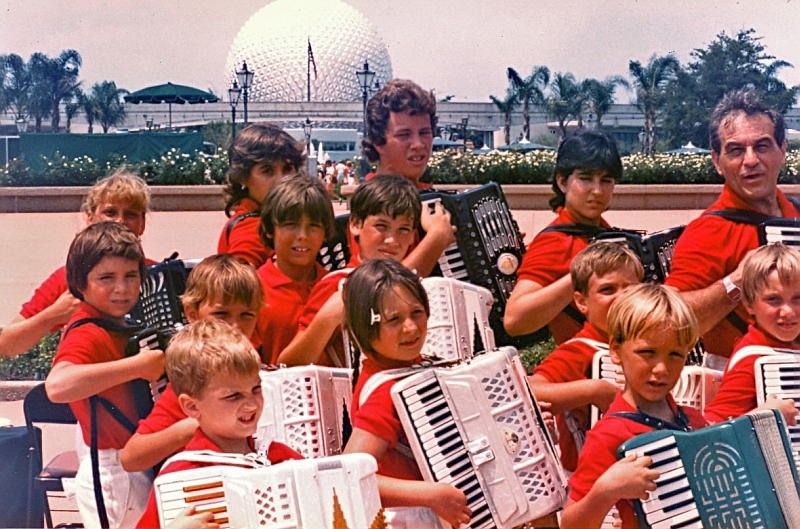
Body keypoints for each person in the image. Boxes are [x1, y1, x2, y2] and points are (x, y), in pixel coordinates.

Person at [45, 222, 164, 529]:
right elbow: (57, 386)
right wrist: (139, 366)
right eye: (106, 278)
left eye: (130, 276)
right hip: (113, 473)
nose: (121, 289)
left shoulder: (115, 325)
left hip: (127, 466)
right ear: (80, 284)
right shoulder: (87, 333)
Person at [560, 283, 707, 529]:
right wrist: (606, 490)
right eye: (647, 352)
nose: (661, 369)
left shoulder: (693, 420)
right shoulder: (609, 435)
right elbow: (570, 524)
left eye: (675, 355)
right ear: (616, 351)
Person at [665, 89, 798, 359]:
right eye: (736, 150)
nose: (750, 160)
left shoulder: (795, 213)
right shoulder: (708, 231)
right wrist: (736, 282)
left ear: (782, 151)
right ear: (717, 161)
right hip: (739, 378)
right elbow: (670, 321)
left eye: (762, 146)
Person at [135, 319, 302, 529]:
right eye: (233, 395)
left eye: (256, 389)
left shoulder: (282, 456)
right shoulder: (181, 477)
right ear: (192, 407)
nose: (251, 404)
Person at [342, 259, 471, 528]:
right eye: (394, 319)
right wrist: (429, 494)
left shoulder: (420, 366)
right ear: (365, 328)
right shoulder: (385, 393)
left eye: (417, 312)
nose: (411, 327)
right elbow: (350, 475)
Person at [121, 253, 265, 473]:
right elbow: (132, 457)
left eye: (247, 315)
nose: (235, 325)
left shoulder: (258, 365)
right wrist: (201, 424)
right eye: (221, 314)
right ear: (192, 315)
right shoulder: (196, 377)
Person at [3, 169, 151, 358]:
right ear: (90, 218)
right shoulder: (68, 278)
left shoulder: (160, 276)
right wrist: (53, 315)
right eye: (110, 212)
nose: (120, 221)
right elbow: (7, 345)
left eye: (130, 214)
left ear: (142, 223)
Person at [277, 174, 420, 367]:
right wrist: (328, 318)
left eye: (403, 229)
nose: (392, 240)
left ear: (413, 236)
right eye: (381, 226)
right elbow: (288, 365)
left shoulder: (413, 283)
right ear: (355, 225)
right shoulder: (337, 285)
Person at [528, 241, 644, 472]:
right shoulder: (580, 349)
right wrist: (595, 390)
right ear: (581, 302)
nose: (620, 297)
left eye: (629, 289)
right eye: (607, 290)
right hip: (586, 478)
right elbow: (529, 390)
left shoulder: (648, 346)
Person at [504, 130, 620, 344]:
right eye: (585, 179)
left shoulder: (608, 235)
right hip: (583, 365)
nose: (597, 190)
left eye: (606, 180)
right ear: (562, 182)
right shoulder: (556, 241)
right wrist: (579, 276)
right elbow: (514, 320)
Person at [359, 78, 455, 277]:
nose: (418, 144)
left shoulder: (434, 198)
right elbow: (378, 288)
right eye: (404, 135)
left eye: (425, 133)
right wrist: (435, 240)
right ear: (378, 142)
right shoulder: (366, 205)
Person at [703, 243, 800, 423]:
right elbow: (712, 427)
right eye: (774, 299)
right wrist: (764, 417)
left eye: (797, 298)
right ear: (748, 304)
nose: (788, 311)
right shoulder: (751, 360)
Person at [254, 174, 334, 364]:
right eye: (291, 225)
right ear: (269, 229)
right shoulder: (253, 291)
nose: (303, 236)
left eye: (313, 226)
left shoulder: (336, 286)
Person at [217, 122, 306, 269]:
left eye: (287, 168)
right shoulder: (253, 226)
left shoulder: (272, 218)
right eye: (267, 171)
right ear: (243, 178)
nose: (281, 180)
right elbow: (240, 278)